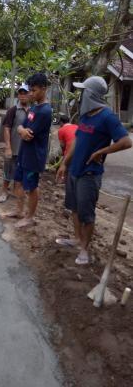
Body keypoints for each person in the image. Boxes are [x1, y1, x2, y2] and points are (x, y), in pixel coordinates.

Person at [56, 76, 132, 265]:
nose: (81, 95)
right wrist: (65, 163)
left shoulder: (107, 117)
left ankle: (84, 249)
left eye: (83, 91)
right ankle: (76, 238)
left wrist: (102, 151)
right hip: (74, 169)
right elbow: (77, 140)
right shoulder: (85, 116)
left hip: (90, 174)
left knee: (86, 214)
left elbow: (126, 141)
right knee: (73, 208)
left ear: (90, 94)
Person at [9, 73, 52, 228]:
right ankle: (19, 211)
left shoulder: (45, 111)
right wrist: (21, 129)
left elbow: (28, 135)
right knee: (18, 182)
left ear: (44, 88)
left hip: (34, 156)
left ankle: (30, 217)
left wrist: (22, 130)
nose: (31, 94)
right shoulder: (34, 107)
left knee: (32, 187)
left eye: (34, 90)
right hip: (24, 153)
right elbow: (22, 127)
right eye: (30, 90)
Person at [0, 84, 30, 203]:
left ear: (29, 94)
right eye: (20, 93)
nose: (22, 96)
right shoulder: (13, 110)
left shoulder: (32, 111)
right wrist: (8, 147)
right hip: (14, 147)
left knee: (21, 171)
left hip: (26, 149)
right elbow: (7, 128)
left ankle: (17, 192)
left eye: (25, 93)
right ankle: (4, 191)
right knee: (8, 170)